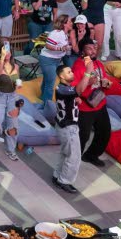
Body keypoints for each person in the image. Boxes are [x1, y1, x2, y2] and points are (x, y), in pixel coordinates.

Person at [71, 41, 112, 168]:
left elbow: (104, 80)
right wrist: (89, 82)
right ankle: (73, 162)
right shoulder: (78, 65)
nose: (93, 51)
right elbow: (77, 90)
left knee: (105, 132)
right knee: (83, 136)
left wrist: (106, 83)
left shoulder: (99, 63)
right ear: (83, 52)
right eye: (89, 49)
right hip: (85, 107)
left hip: (100, 103)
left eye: (94, 48)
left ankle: (91, 155)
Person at [51, 63, 80, 194]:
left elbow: (74, 95)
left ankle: (57, 176)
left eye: (71, 71)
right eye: (69, 72)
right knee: (73, 156)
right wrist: (87, 73)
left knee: (65, 152)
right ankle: (65, 181)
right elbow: (78, 90)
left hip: (64, 125)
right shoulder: (63, 89)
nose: (72, 73)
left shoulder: (65, 89)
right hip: (68, 127)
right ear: (61, 76)